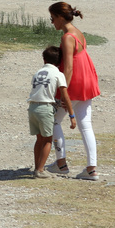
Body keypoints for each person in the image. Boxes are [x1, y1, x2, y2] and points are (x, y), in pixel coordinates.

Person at [47, 2, 101, 181]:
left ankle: (61, 163)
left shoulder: (67, 37)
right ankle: (91, 168)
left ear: (60, 18)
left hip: (74, 83)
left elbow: (68, 68)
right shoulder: (78, 33)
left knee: (54, 120)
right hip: (87, 80)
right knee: (86, 124)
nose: (52, 22)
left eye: (53, 19)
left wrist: (64, 92)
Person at [28, 46, 76, 179]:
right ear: (60, 62)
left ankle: (37, 166)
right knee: (48, 139)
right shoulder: (58, 74)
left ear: (44, 59)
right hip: (45, 109)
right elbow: (65, 95)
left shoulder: (37, 73)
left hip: (32, 107)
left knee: (39, 139)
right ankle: (40, 170)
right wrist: (72, 115)